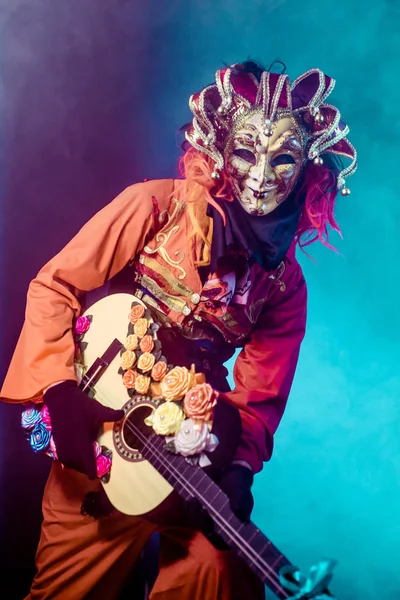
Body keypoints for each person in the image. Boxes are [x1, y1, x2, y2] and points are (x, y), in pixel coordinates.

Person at [0, 60, 356, 600]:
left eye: (283, 158)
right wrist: (60, 389)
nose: (260, 178)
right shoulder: (154, 206)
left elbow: (261, 396)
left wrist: (237, 468)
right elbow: (54, 285)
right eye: (245, 152)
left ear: (310, 169)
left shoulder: (285, 284)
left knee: (219, 573)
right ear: (218, 149)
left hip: (189, 451)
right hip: (97, 437)